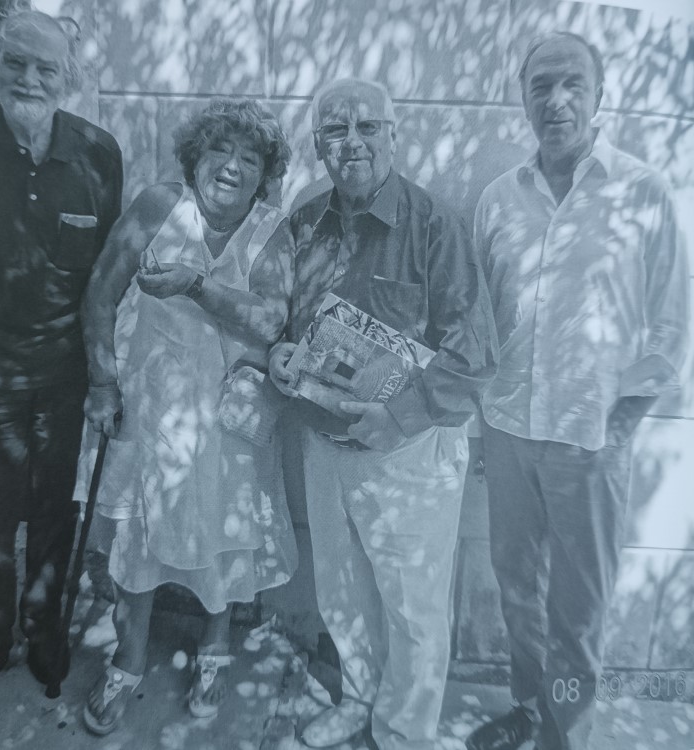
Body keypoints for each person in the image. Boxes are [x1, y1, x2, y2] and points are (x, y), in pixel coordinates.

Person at [466, 32, 689, 750]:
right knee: (517, 592)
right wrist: (478, 428)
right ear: (523, 97)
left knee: (578, 607)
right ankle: (529, 709)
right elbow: (478, 319)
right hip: (508, 430)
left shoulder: (642, 191)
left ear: (599, 96)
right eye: (542, 86)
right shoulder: (498, 199)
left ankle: (565, 732)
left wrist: (620, 426)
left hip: (590, 442)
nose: (556, 101)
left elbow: (671, 323)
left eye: (573, 85)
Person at [269, 78, 499, 750]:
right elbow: (282, 320)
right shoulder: (304, 220)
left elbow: (475, 355)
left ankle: (404, 733)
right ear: (318, 146)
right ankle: (361, 700)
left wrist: (397, 419)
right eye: (335, 130)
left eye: (367, 127)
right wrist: (279, 353)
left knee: (412, 608)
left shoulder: (434, 224)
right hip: (324, 443)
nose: (352, 142)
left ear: (393, 136)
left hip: (409, 451)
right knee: (341, 590)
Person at [0, 8, 123, 734]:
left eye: (46, 67)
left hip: (64, 374)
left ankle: (43, 631)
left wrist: (101, 372)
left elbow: (107, 276)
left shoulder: (98, 153)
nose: (29, 78)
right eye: (16, 62)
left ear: (69, 76)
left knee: (53, 511)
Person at [76, 98, 298, 735]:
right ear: (194, 157)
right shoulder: (157, 206)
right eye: (219, 149)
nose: (231, 166)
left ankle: (214, 652)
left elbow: (270, 320)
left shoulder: (271, 229)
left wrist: (197, 284)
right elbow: (100, 294)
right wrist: (102, 383)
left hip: (227, 420)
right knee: (135, 544)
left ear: (264, 174)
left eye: (249, 157)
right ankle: (127, 662)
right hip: (146, 411)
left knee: (225, 538)